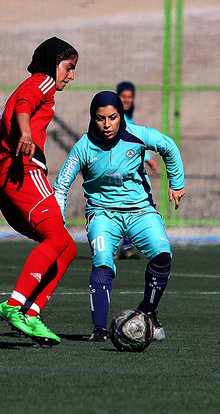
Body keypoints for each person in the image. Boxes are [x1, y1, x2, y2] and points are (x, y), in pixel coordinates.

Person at [53, 91, 185, 342]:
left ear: (120, 116)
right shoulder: (83, 147)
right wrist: (59, 222)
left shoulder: (138, 135)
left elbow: (168, 146)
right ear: (93, 119)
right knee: (102, 260)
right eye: (100, 118)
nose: (106, 124)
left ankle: (148, 313)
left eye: (112, 117)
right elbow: (61, 186)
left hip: (140, 211)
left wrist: (176, 182)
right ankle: (100, 330)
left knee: (162, 254)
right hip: (102, 214)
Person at [0, 37, 79, 346]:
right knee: (57, 239)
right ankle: (15, 306)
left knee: (67, 247)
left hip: (8, 179)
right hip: (25, 173)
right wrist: (26, 133)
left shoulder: (37, 86)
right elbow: (23, 107)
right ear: (52, 63)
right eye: (68, 68)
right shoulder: (41, 81)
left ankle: (31, 313)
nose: (71, 76)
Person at [115, 81, 158, 259]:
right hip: (117, 167)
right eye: (123, 96)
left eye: (129, 97)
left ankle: (125, 246)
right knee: (119, 205)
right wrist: (147, 158)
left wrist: (146, 159)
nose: (126, 100)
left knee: (127, 204)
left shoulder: (127, 116)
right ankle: (115, 247)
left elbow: (133, 139)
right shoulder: (114, 115)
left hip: (128, 166)